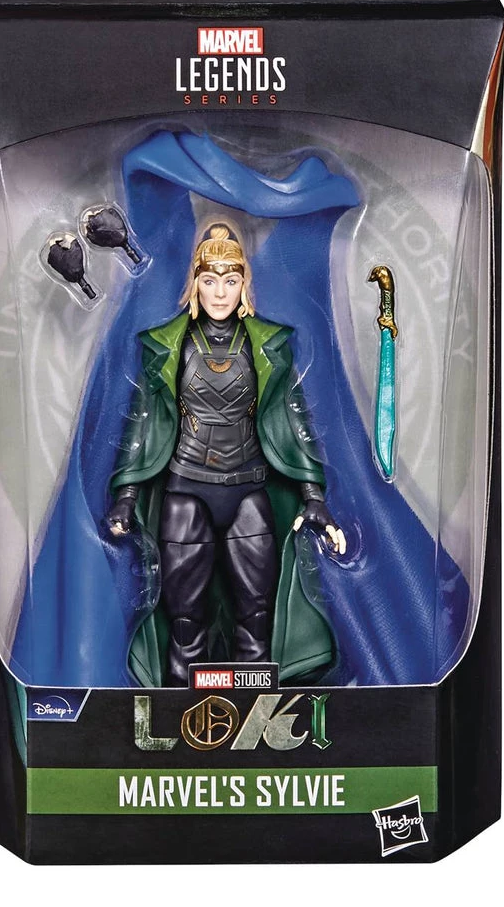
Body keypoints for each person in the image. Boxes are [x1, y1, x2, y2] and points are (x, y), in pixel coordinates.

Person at [105, 223, 344, 685]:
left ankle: (257, 710)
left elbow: (292, 421)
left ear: (244, 285)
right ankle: (178, 710)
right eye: (210, 279)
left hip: (248, 490)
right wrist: (126, 496)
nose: (220, 293)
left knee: (256, 619)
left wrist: (314, 496)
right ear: (195, 282)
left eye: (230, 280)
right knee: (184, 623)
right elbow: (144, 423)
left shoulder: (268, 346)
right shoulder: (168, 347)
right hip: (185, 491)